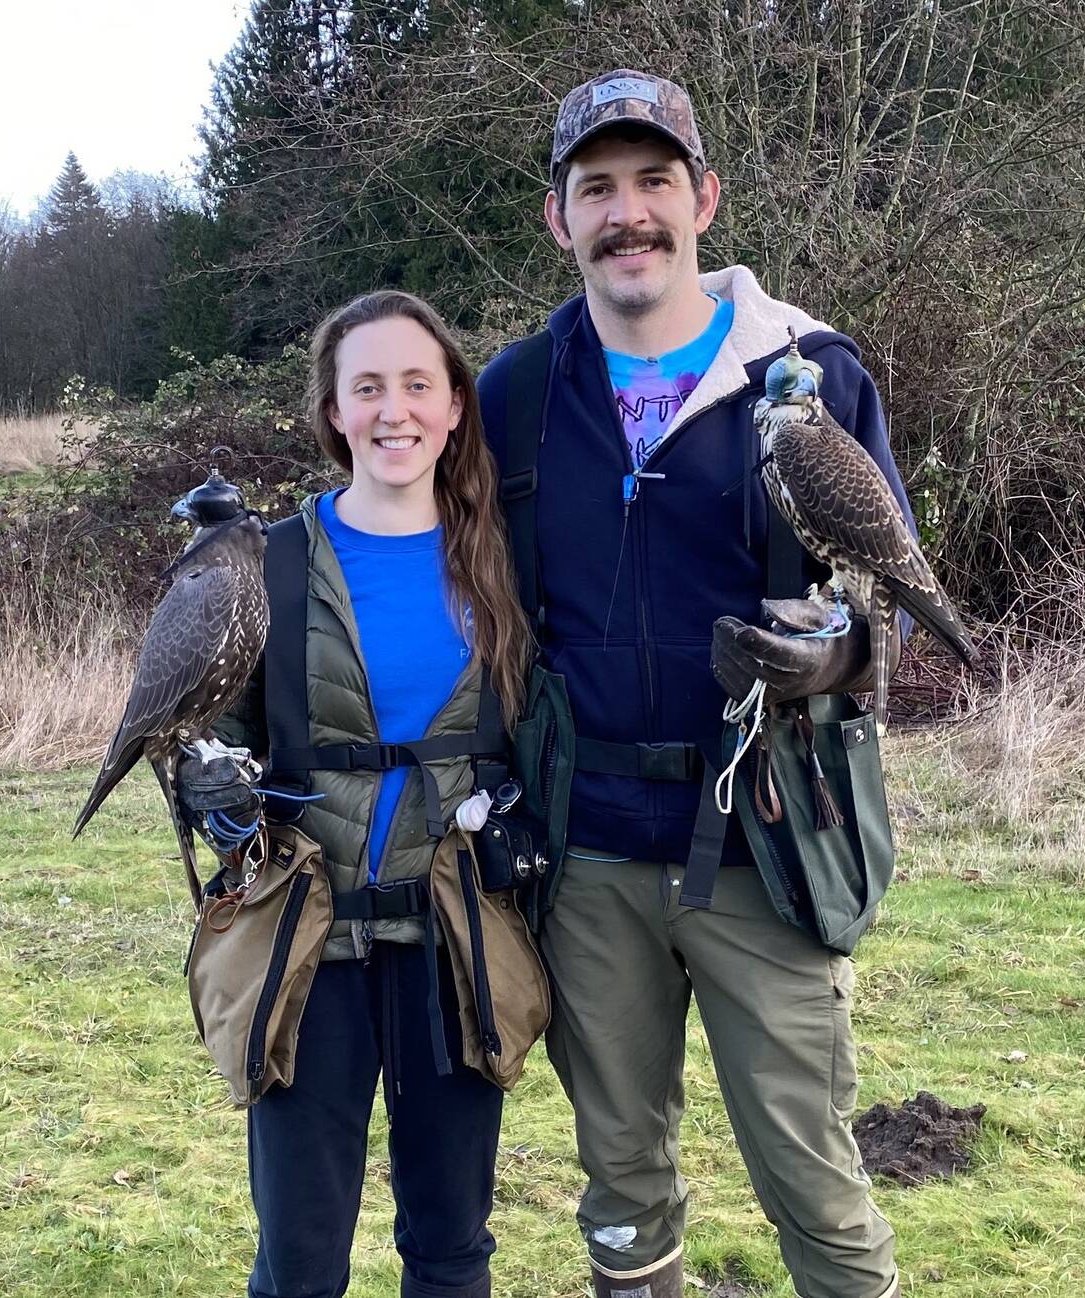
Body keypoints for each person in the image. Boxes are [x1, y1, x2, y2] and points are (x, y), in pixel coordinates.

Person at [475, 71, 914, 1298]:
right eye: (596, 189)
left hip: (761, 845)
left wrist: (840, 656)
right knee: (618, 1180)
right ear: (556, 219)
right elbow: (473, 607)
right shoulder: (510, 397)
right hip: (588, 858)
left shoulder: (812, 375)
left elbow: (892, 600)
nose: (629, 214)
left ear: (703, 197)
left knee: (813, 1181)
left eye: (653, 181)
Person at [203, 289, 539, 1298]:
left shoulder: (507, 558)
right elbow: (215, 725)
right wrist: (211, 788)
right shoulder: (264, 560)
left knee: (449, 1249)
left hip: (454, 939)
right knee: (299, 1262)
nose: (393, 411)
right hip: (308, 944)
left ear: (451, 408)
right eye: (367, 388)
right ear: (334, 412)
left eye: (415, 385)